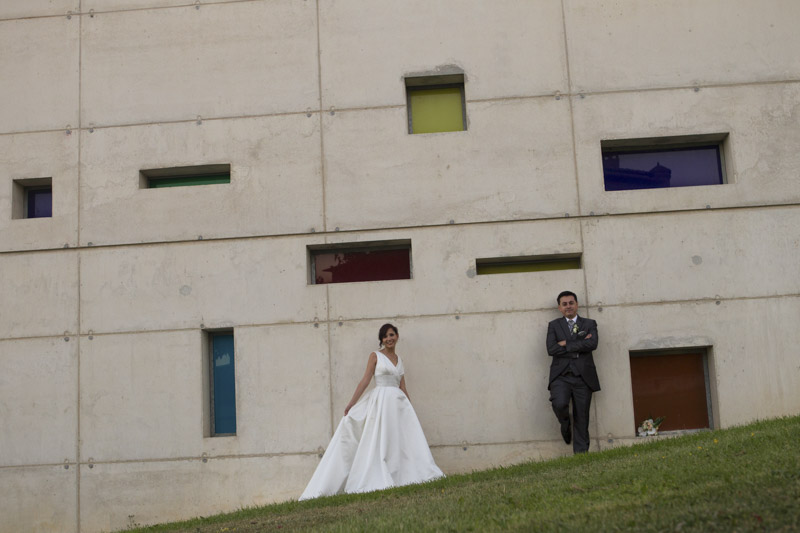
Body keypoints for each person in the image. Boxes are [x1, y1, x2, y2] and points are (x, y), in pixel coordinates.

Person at [299, 323, 443, 500]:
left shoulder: (399, 360)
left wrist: (410, 409)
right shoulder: (375, 356)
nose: (389, 339)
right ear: (381, 339)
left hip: (398, 405)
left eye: (391, 335)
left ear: (397, 336)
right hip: (381, 403)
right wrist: (351, 403)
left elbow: (402, 386)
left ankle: (402, 474)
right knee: (380, 439)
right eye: (385, 336)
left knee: (398, 441)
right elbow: (365, 380)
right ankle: (376, 474)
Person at [545, 291, 600, 454]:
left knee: (582, 417)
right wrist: (579, 344)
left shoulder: (589, 323)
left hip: (583, 377)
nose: (568, 306)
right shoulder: (554, 325)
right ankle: (565, 424)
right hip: (561, 376)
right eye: (564, 304)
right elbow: (552, 349)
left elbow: (592, 344)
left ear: (576, 305)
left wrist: (566, 344)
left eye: (571, 303)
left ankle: (581, 455)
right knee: (559, 404)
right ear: (559, 308)